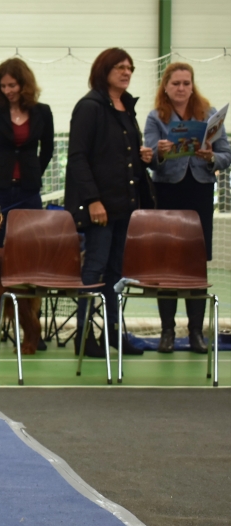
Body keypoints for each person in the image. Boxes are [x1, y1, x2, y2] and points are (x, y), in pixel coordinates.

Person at [65, 48, 153, 358]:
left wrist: (142, 156)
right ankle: (84, 335)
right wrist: (92, 200)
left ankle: (113, 333)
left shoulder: (126, 107)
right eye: (120, 67)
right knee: (94, 269)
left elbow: (120, 155)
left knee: (117, 273)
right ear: (104, 71)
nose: (126, 72)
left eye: (130, 68)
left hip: (126, 205)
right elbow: (78, 157)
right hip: (100, 207)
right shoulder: (89, 107)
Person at [144, 62, 231, 354]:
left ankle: (196, 333)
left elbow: (226, 154)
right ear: (166, 87)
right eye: (176, 83)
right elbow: (149, 157)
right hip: (167, 192)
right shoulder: (156, 117)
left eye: (186, 83)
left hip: (200, 192)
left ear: (192, 86)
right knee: (167, 261)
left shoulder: (209, 114)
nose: (181, 88)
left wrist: (210, 158)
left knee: (196, 262)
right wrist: (159, 153)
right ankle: (167, 332)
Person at [0, 57, 53, 351]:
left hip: (28, 193)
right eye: (3, 86)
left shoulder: (42, 112)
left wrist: (32, 174)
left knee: (30, 259)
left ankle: (32, 331)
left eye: (12, 85)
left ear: (24, 84)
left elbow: (48, 150)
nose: (8, 91)